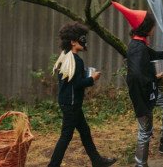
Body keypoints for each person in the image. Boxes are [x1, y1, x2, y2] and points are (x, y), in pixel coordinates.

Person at [111, 1, 163, 167]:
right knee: (145, 131)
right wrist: (155, 76)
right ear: (146, 27)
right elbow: (137, 75)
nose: (155, 28)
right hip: (143, 94)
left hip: (148, 91)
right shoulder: (138, 48)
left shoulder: (139, 45)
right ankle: (141, 163)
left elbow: (156, 55)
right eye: (152, 25)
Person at [48, 22, 116, 167]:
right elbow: (77, 84)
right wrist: (92, 79)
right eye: (81, 38)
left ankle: (97, 161)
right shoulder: (76, 60)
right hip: (71, 104)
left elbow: (70, 81)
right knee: (66, 136)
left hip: (68, 102)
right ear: (73, 41)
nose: (84, 41)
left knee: (85, 131)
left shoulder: (65, 57)